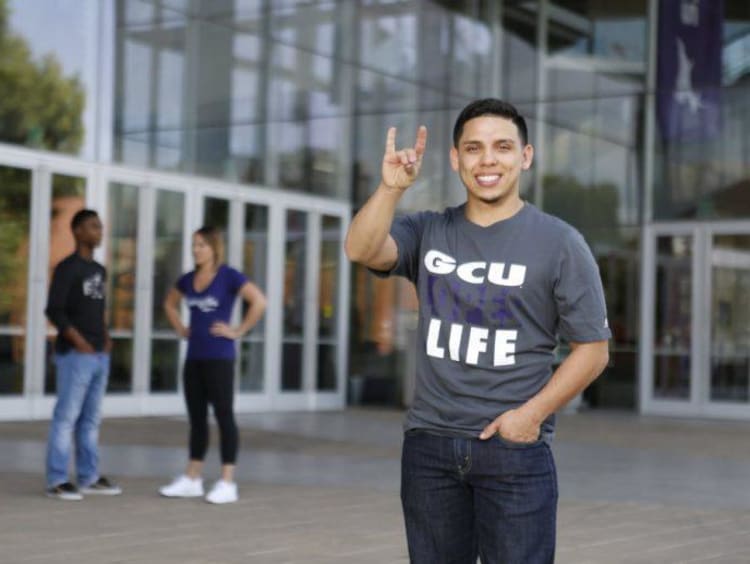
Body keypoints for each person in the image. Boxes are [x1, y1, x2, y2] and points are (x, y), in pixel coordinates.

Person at [344, 98, 610, 563]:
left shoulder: (561, 243)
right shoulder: (428, 231)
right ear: (455, 159)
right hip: (429, 446)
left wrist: (528, 418)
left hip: (514, 451)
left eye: (503, 147)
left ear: (525, 157)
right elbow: (361, 249)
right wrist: (390, 190)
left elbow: (593, 350)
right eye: (473, 148)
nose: (488, 160)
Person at [159, 226, 266, 504]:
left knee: (224, 416)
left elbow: (258, 301)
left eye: (202, 245)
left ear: (215, 248)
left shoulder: (229, 276)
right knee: (196, 419)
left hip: (220, 358)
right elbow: (169, 304)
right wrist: (181, 328)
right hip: (194, 358)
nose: (196, 250)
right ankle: (192, 478)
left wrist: (238, 330)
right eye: (194, 245)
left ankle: (227, 482)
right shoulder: (188, 279)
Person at [45, 208, 122, 500]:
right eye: (93, 227)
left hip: (99, 354)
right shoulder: (67, 268)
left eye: (100, 227)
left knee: (91, 419)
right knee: (66, 417)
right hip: (76, 355)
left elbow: (97, 309)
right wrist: (78, 342)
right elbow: (54, 310)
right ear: (77, 231)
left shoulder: (99, 270)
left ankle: (89, 476)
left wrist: (105, 336)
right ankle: (57, 479)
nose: (99, 232)